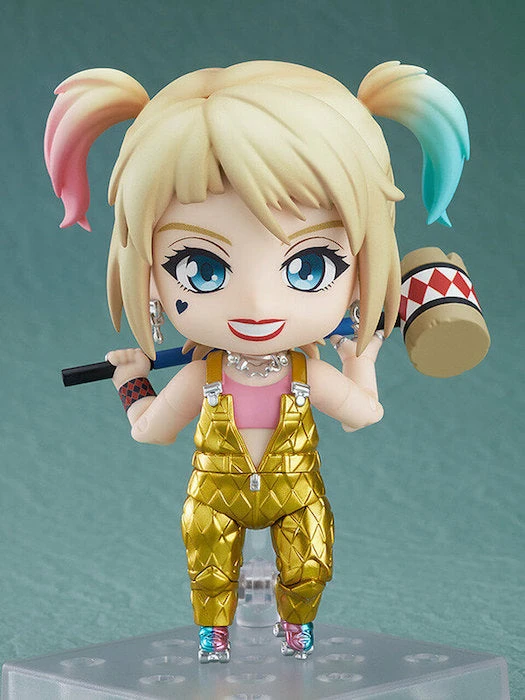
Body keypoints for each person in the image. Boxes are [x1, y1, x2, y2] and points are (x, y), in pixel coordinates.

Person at [44, 59, 469, 662]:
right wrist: (132, 381)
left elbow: (363, 414)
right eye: (201, 268)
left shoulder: (306, 374)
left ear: (359, 269)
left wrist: (361, 356)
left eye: (310, 267)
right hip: (215, 495)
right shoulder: (203, 376)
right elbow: (151, 430)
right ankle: (213, 632)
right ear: (151, 278)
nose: (259, 306)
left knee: (310, 559)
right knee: (208, 560)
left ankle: (297, 626)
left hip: (296, 492)